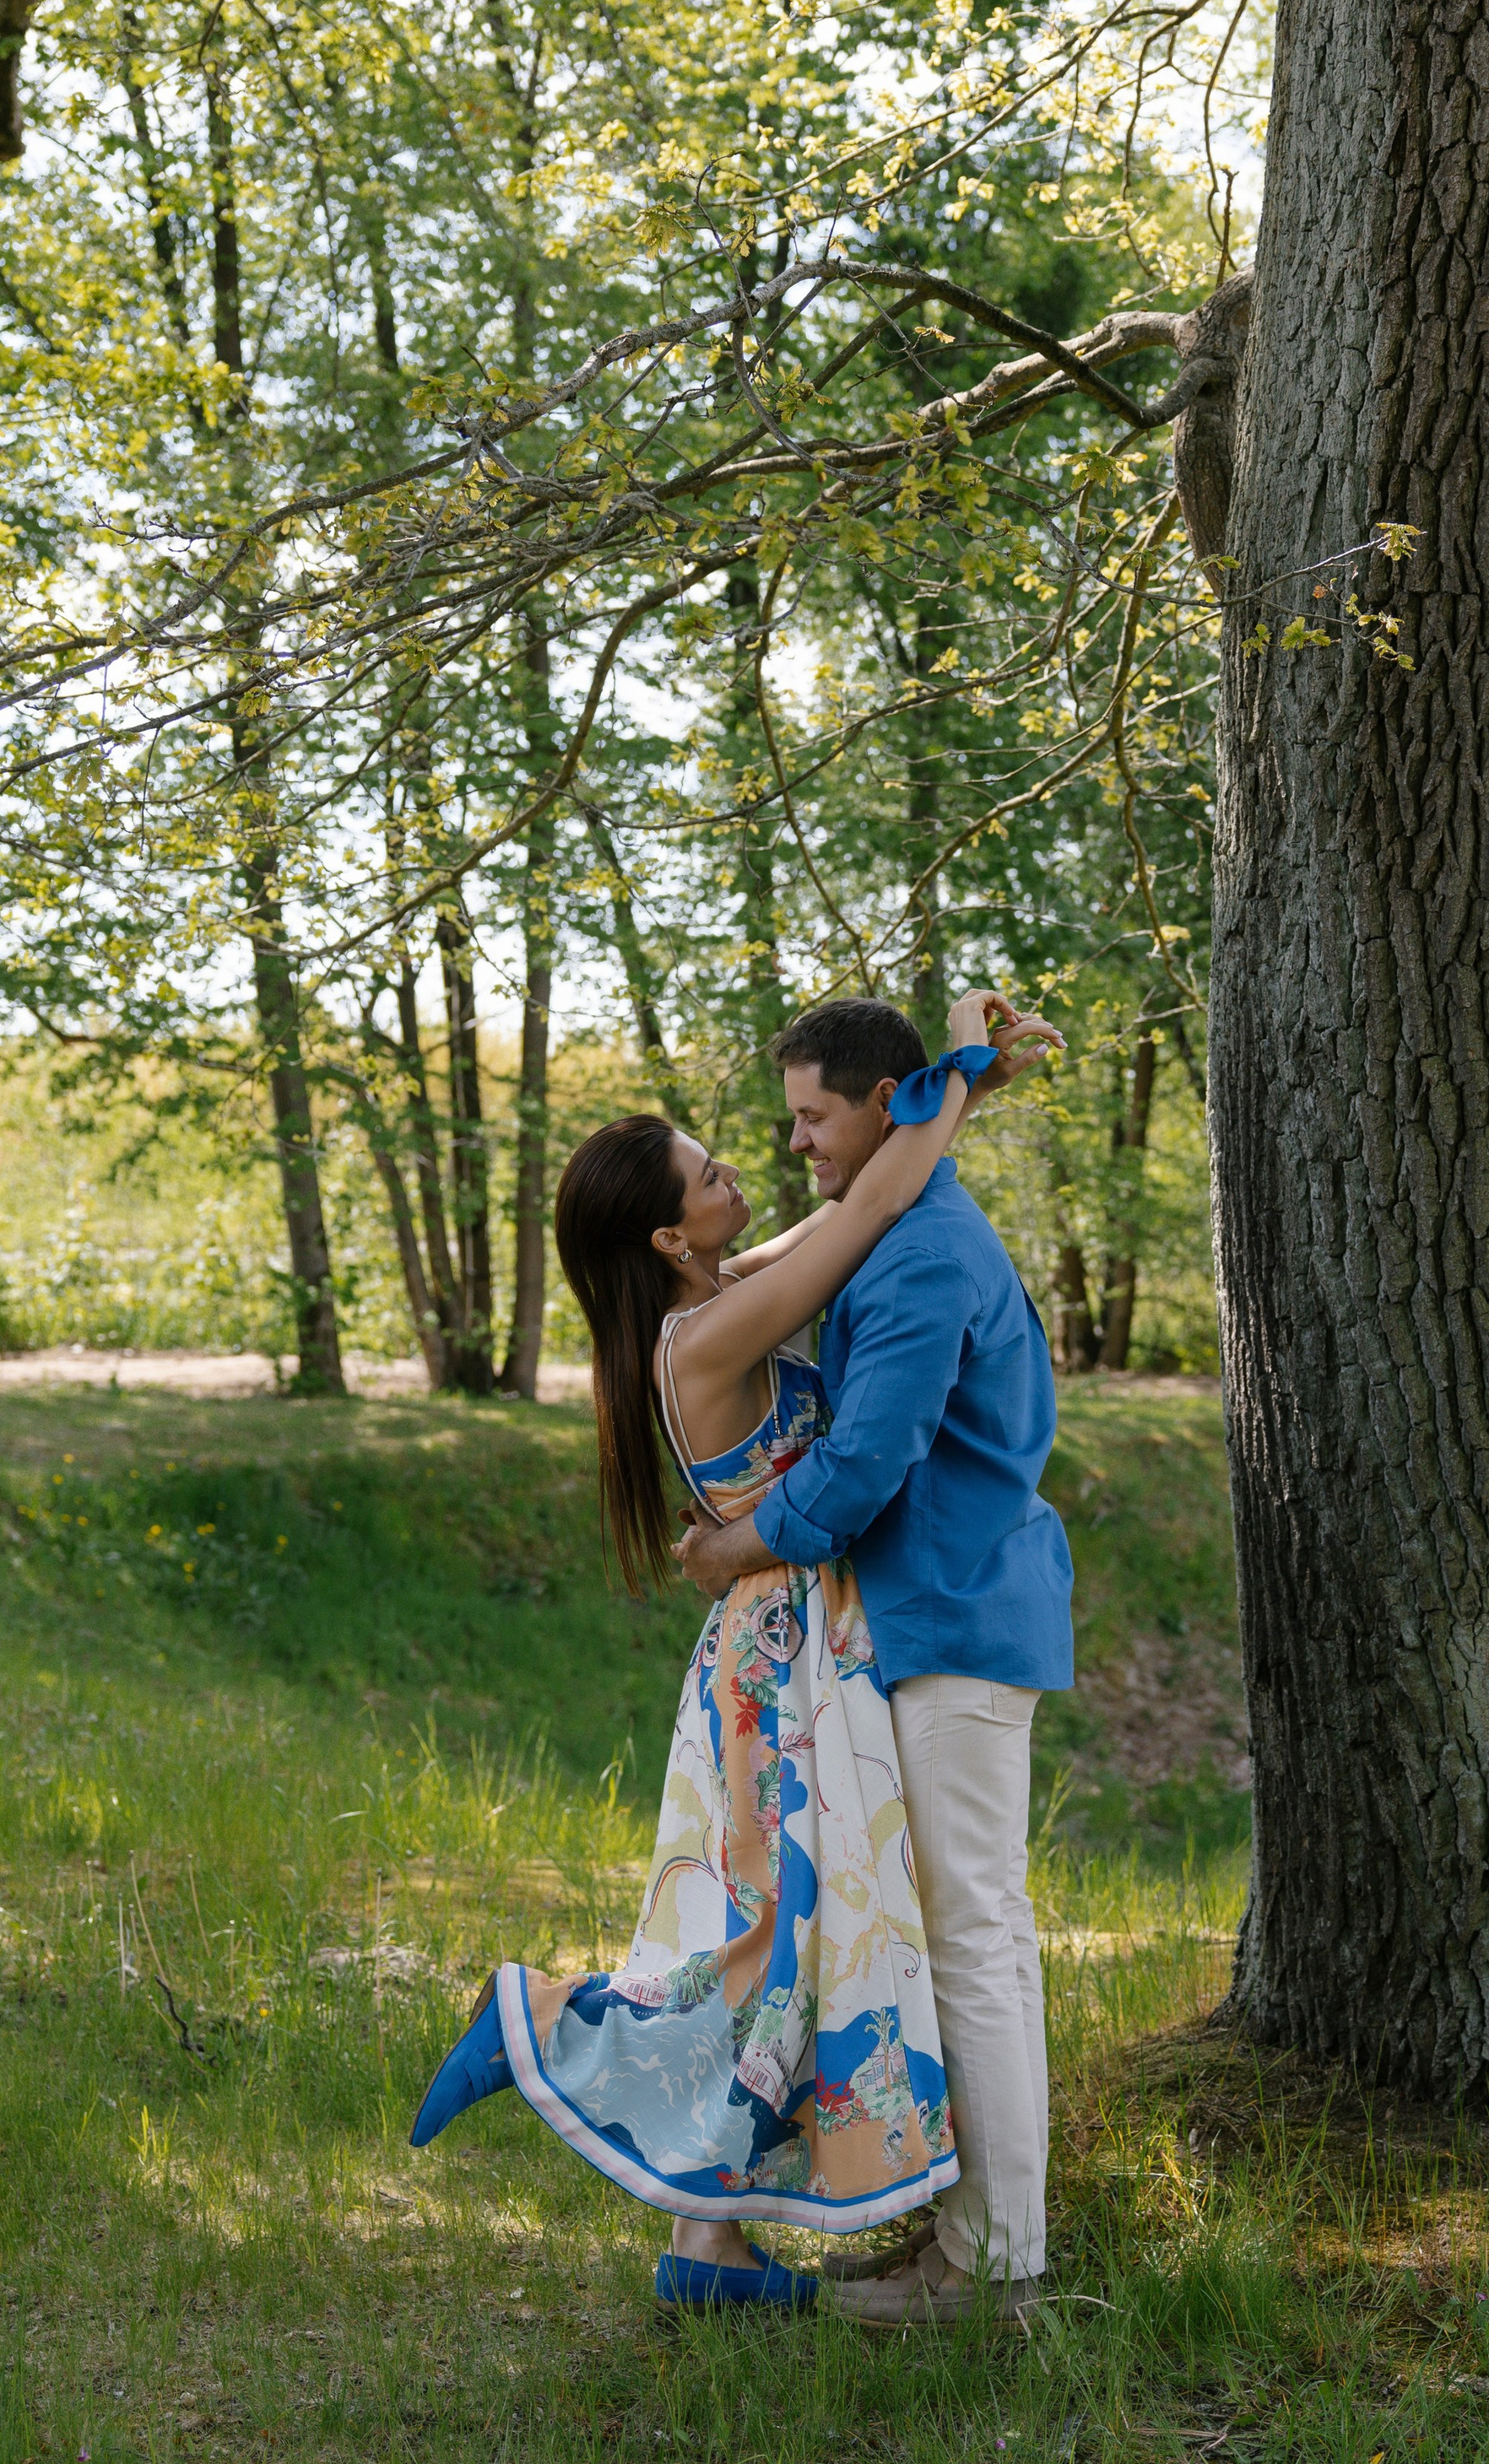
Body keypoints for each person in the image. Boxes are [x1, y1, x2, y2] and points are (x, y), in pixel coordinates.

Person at [405, 985, 1059, 2310]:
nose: (759, 1161)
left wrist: (962, 1082)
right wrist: (945, 1082)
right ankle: (547, 2021)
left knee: (784, 1947)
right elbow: (865, 1209)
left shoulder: (735, 1289)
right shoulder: (708, 1332)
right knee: (772, 1945)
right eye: (715, 1170)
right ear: (668, 1229)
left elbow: (854, 1207)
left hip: (808, 1634)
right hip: (781, 1658)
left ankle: (708, 2247)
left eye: (805, 1119)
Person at [674, 996, 1076, 2330]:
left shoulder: (916, 1262)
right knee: (981, 1938)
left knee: (974, 1938)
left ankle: (989, 2270)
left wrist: (740, 1544)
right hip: (947, 1609)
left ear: (880, 1104)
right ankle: (977, 2239)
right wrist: (964, 1072)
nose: (795, 1143)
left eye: (812, 1115)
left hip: (950, 1616)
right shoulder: (901, 1228)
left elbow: (862, 1466)